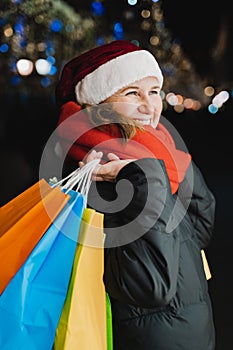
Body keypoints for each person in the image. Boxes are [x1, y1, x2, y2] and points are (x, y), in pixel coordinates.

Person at [55, 40, 216, 349]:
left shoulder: (154, 151)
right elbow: (148, 287)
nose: (150, 105)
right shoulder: (101, 167)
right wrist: (147, 177)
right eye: (132, 93)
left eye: (153, 91)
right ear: (98, 104)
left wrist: (175, 160)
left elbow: (197, 231)